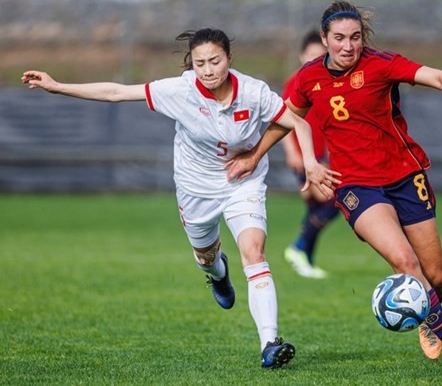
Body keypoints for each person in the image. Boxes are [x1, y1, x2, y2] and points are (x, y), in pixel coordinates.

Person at [21, 27, 338, 370]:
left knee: (254, 250)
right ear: (192, 64)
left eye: (214, 61)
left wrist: (310, 162)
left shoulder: (253, 91)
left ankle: (270, 343)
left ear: (229, 59)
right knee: (205, 256)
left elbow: (298, 123)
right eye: (200, 63)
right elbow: (115, 92)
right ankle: (218, 274)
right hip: (195, 187)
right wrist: (56, 86)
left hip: (242, 182)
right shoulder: (179, 90)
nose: (207, 69)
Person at [226, 0, 442, 372]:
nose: (348, 46)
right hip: (356, 186)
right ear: (325, 39)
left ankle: (427, 317)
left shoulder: (381, 64)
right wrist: (255, 155)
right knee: (405, 262)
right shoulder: (309, 79)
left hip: (405, 175)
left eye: (355, 37)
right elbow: (285, 120)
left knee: (434, 277)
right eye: (338, 38)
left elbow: (433, 75)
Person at [281, 30, 339, 279]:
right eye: (311, 55)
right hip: (307, 157)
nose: (315, 60)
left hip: (324, 156)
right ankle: (298, 247)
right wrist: (293, 152)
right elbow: (282, 120)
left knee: (317, 205)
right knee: (335, 200)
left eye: (320, 55)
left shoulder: (327, 81)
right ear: (301, 55)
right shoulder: (295, 81)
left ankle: (306, 259)